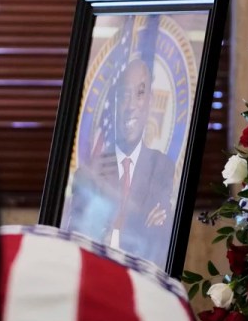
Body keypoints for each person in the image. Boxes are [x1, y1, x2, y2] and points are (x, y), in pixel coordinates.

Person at [66, 58, 176, 266]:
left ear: (151, 100)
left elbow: (161, 237)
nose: (131, 105)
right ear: (115, 103)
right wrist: (139, 225)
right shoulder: (89, 174)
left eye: (140, 93)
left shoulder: (161, 168)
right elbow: (78, 238)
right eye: (124, 95)